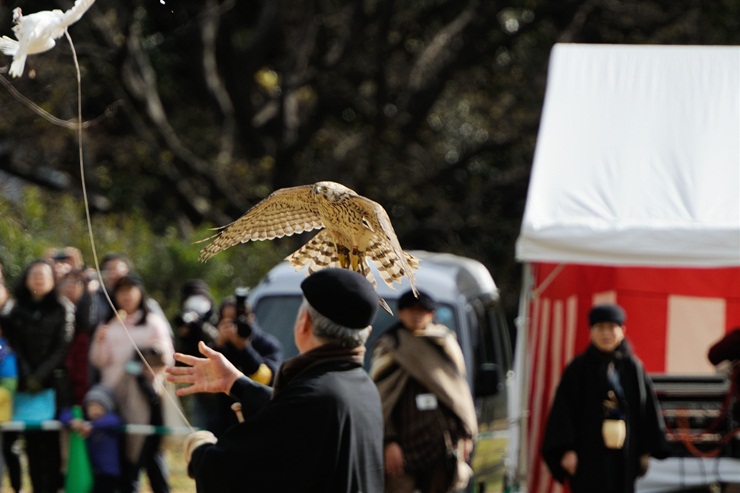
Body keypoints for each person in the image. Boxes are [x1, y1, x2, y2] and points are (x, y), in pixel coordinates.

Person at [166, 268, 385, 493]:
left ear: (304, 322)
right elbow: (293, 414)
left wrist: (200, 450)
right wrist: (236, 383)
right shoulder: (363, 387)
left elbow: (230, 472)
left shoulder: (316, 396)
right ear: (365, 333)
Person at [541, 303, 669, 493]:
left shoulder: (632, 367)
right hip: (588, 452)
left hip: (624, 453)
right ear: (591, 332)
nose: (606, 333)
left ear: (622, 331)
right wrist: (568, 450)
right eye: (600, 328)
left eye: (611, 327)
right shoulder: (578, 368)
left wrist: (645, 451)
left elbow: (646, 409)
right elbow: (563, 412)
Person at [370, 290, 478, 493]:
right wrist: (388, 441)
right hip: (402, 445)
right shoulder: (390, 345)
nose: (416, 315)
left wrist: (465, 434)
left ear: (432, 314)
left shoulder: (445, 343)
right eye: (411, 310)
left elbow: (458, 395)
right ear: (400, 313)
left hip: (441, 444)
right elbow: (380, 399)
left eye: (423, 311)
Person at [89, 274, 175, 493]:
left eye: (130, 290)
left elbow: (167, 359)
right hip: (113, 396)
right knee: (121, 456)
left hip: (144, 399)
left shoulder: (153, 323)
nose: (126, 296)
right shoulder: (109, 324)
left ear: (140, 293)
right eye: (121, 291)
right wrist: (100, 338)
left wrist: (142, 366)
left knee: (148, 452)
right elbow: (99, 360)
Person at [3, 259, 75, 492]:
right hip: (25, 386)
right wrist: (27, 374)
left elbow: (62, 346)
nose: (38, 279)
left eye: (43, 275)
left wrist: (41, 374)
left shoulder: (62, 307)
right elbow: (14, 345)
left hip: (54, 384)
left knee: (52, 444)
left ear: (53, 280)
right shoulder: (16, 309)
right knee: (32, 445)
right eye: (33, 274)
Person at [208, 296, 283, 435]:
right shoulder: (217, 347)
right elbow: (206, 377)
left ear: (252, 318)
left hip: (259, 421)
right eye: (229, 322)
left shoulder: (267, 345)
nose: (235, 327)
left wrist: (244, 348)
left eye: (240, 320)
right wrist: (218, 346)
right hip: (223, 424)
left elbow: (267, 380)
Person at [59, 384, 123, 493]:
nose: (95, 410)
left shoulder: (110, 421)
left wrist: (90, 426)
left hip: (107, 472)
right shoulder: (85, 420)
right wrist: (73, 422)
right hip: (90, 470)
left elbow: (114, 420)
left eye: (99, 407)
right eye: (91, 406)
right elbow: (64, 415)